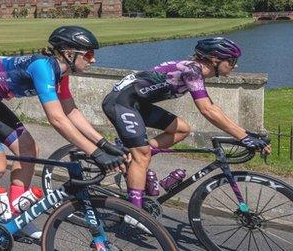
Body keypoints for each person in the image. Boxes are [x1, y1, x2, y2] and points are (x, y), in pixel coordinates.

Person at [0, 26, 126, 241]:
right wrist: (94, 152)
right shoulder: (43, 67)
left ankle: (16, 214)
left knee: (29, 148)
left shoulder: (61, 73)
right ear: (69, 54)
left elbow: (71, 111)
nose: (93, 60)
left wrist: (103, 144)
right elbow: (57, 119)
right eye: (89, 54)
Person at [102, 37, 270, 207]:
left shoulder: (194, 71)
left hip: (136, 103)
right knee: (142, 157)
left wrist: (245, 134)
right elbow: (207, 111)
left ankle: (132, 157)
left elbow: (213, 108)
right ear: (214, 59)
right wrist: (244, 138)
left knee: (182, 129)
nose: (235, 65)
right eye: (232, 61)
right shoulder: (192, 70)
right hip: (120, 103)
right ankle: (135, 214)